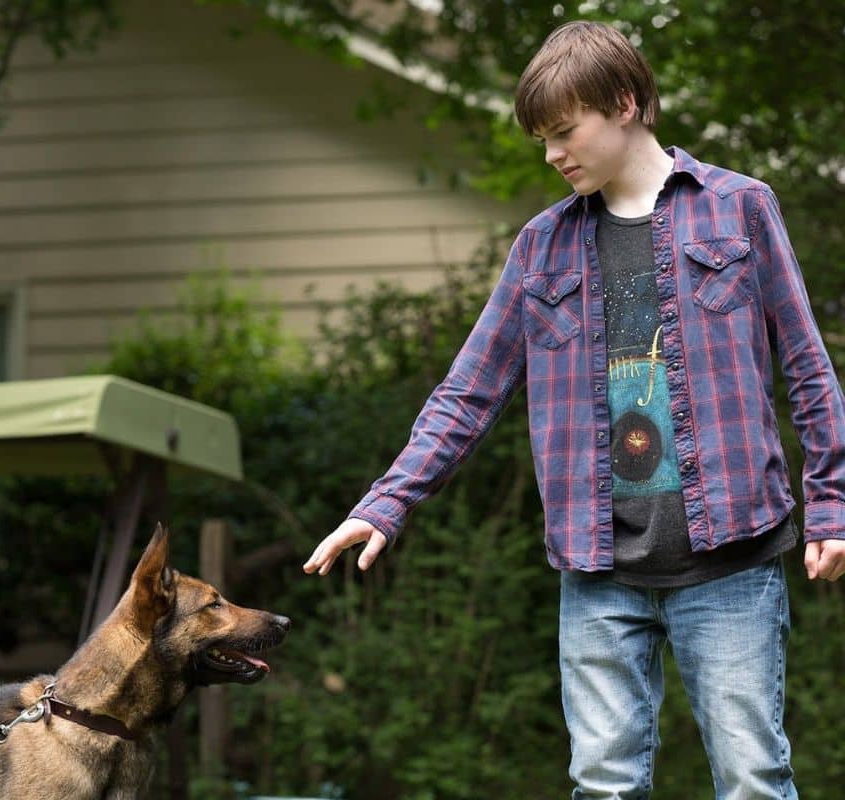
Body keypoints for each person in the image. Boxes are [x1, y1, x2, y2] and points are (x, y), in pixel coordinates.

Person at [302, 20, 845, 800]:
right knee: (602, 785)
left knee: (755, 779)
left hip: (731, 559)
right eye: (541, 139)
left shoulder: (739, 209)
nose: (553, 154)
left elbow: (808, 368)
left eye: (564, 131)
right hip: (597, 573)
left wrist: (831, 506)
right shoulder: (539, 249)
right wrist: (388, 503)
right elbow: (469, 392)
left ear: (624, 103)